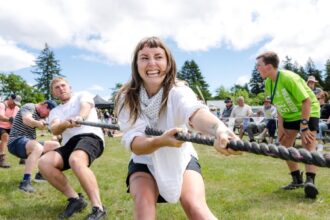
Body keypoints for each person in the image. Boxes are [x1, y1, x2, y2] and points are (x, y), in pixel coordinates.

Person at [115, 36, 238, 220]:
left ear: (168, 62)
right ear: (136, 64)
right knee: (144, 206)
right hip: (144, 160)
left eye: (158, 57)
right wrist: (160, 141)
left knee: (195, 207)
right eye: (144, 58)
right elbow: (135, 142)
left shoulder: (178, 91)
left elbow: (194, 112)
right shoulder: (126, 97)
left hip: (181, 156)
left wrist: (218, 129)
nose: (152, 63)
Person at [38, 77, 106, 220]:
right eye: (57, 88)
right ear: (54, 93)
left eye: (63, 85)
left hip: (90, 136)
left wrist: (80, 117)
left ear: (70, 87)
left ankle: (98, 207)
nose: (61, 89)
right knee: (44, 162)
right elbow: (55, 129)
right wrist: (65, 124)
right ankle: (76, 200)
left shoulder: (82, 95)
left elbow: (85, 107)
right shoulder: (55, 111)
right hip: (70, 143)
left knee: (76, 160)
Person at [256, 51, 320, 199]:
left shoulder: (288, 78)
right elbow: (278, 105)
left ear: (269, 66)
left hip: (308, 111)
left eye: (259, 65)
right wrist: (280, 126)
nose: (257, 68)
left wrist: (304, 125)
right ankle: (297, 179)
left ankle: (310, 181)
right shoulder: (268, 83)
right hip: (289, 114)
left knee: (308, 143)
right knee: (284, 145)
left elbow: (307, 101)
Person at [7, 100, 60, 192]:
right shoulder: (29, 106)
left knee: (55, 145)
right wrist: (38, 123)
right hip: (15, 142)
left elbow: (52, 128)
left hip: (27, 143)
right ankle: (25, 182)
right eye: (48, 113)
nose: (47, 116)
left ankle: (40, 175)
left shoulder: (40, 116)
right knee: (37, 147)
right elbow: (26, 119)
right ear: (45, 105)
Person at [0, 94, 21, 168]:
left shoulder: (17, 108)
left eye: (16, 104)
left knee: (20, 137)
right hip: (0, 126)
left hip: (9, 128)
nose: (14, 105)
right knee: (5, 137)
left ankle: (22, 157)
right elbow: (1, 117)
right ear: (10, 99)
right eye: (14, 103)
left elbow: (18, 120)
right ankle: (1, 160)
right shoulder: (2, 105)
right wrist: (9, 119)